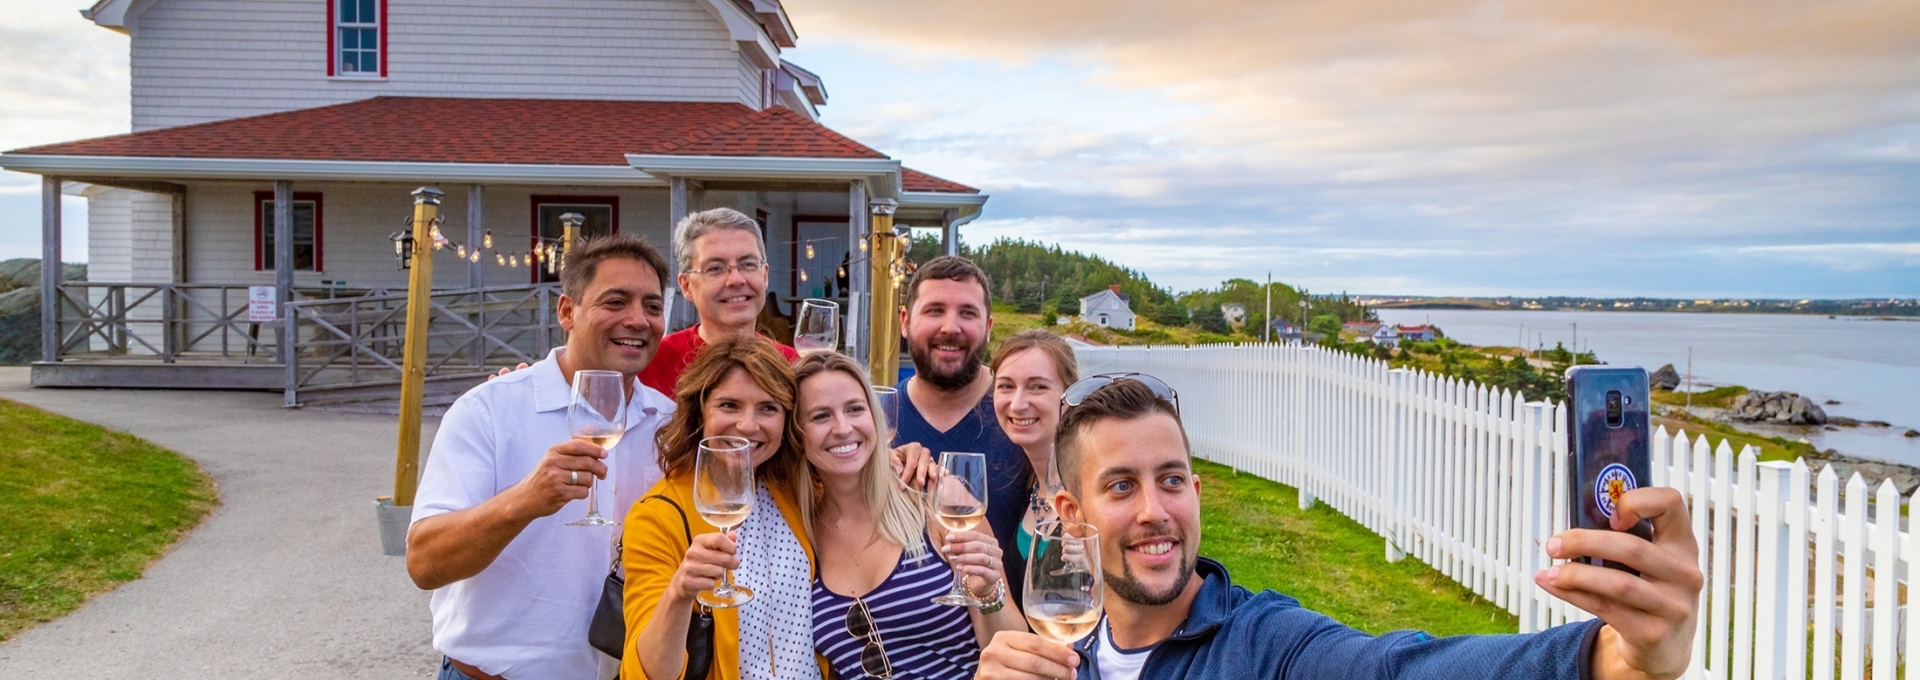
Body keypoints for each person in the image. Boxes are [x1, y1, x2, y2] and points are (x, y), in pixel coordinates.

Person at [976, 376, 1704, 680]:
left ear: (1196, 492)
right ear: (1071, 515)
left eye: (1171, 481)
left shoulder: (1267, 646)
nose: (1155, 512)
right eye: (1121, 487)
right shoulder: (1068, 654)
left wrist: (1614, 659)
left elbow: (1400, 669)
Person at [407, 234, 675, 680]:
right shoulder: (490, 411)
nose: (638, 320)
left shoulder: (669, 424)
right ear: (567, 312)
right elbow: (424, 563)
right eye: (615, 301)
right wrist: (524, 500)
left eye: (652, 306)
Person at [794, 352, 1028, 679]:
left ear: (876, 417)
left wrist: (987, 592)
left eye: (855, 409)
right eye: (820, 416)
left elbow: (1014, 651)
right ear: (797, 432)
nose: (843, 428)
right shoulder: (799, 532)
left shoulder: (936, 496)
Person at [621, 335, 826, 680]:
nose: (748, 425)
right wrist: (680, 593)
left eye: (768, 408)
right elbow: (646, 672)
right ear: (700, 412)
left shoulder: (798, 490)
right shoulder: (657, 516)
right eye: (729, 405)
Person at [881, 256, 1032, 605]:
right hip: (911, 646)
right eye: (934, 310)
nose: (951, 327)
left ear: (989, 326)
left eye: (967, 313)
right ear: (905, 322)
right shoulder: (875, 423)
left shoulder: (1023, 415)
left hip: (1017, 641)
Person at [638, 207, 800, 397]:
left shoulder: (794, 368)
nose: (736, 279)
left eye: (748, 264)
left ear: (765, 275)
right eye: (715, 268)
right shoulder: (648, 366)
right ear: (687, 285)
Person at [988, 329, 1078, 563]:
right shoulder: (1026, 484)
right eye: (1006, 386)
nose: (1017, 405)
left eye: (1037, 387)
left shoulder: (1092, 487)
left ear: (1070, 396)